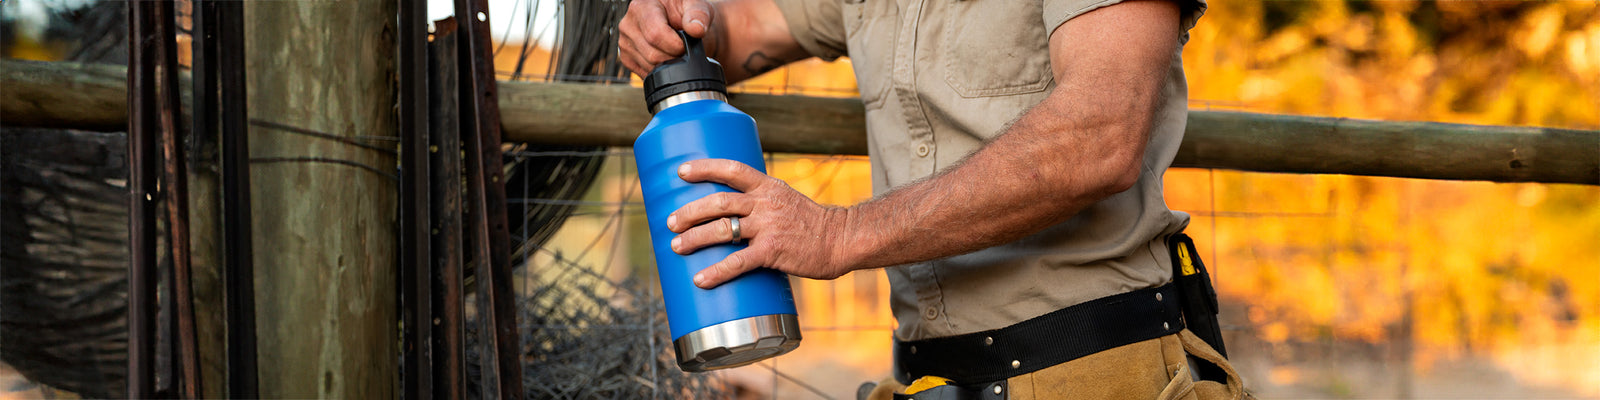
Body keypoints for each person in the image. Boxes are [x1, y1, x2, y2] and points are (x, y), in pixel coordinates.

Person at [619, 0, 1248, 398]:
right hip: (929, 375)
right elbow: (742, 24)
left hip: (1091, 369)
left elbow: (1102, 136)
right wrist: (677, 19)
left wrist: (837, 234)